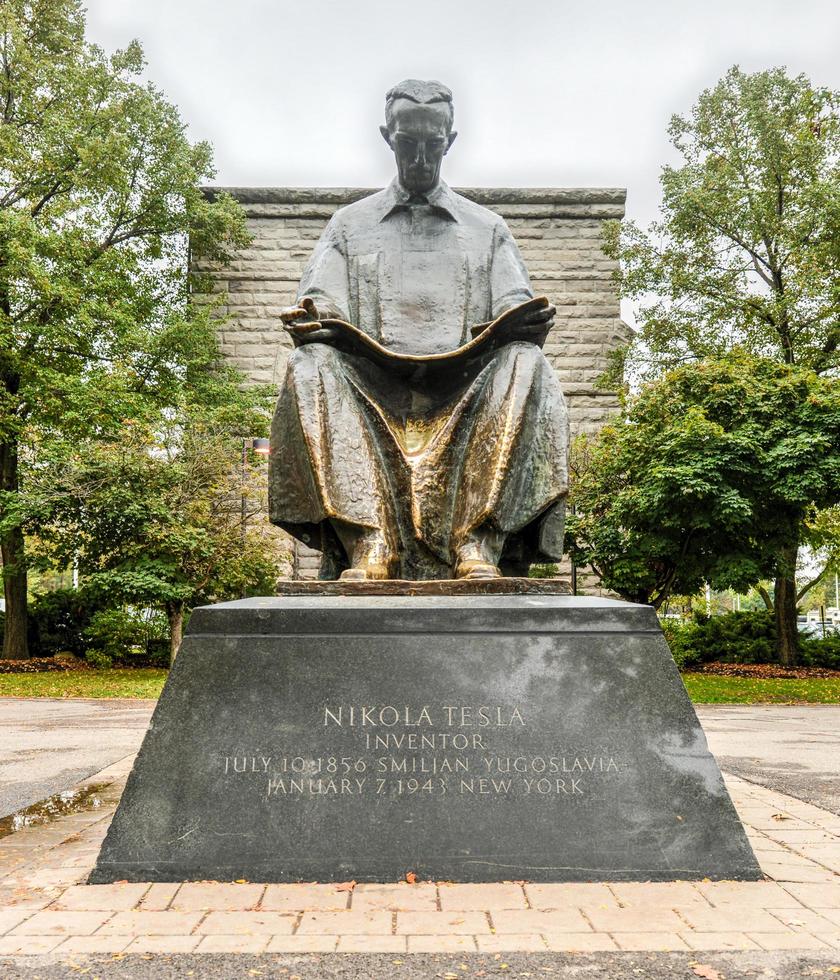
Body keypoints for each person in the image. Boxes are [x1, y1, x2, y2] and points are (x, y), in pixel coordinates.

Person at [269, 79, 568, 581]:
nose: (421, 156)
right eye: (409, 143)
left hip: (467, 389)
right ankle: (369, 541)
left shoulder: (488, 228)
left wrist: (524, 321)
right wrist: (314, 321)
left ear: (450, 140)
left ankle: (477, 541)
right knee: (310, 364)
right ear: (389, 137)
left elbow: (514, 303)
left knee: (526, 361)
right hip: (371, 388)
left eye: (433, 144)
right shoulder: (347, 226)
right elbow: (323, 300)